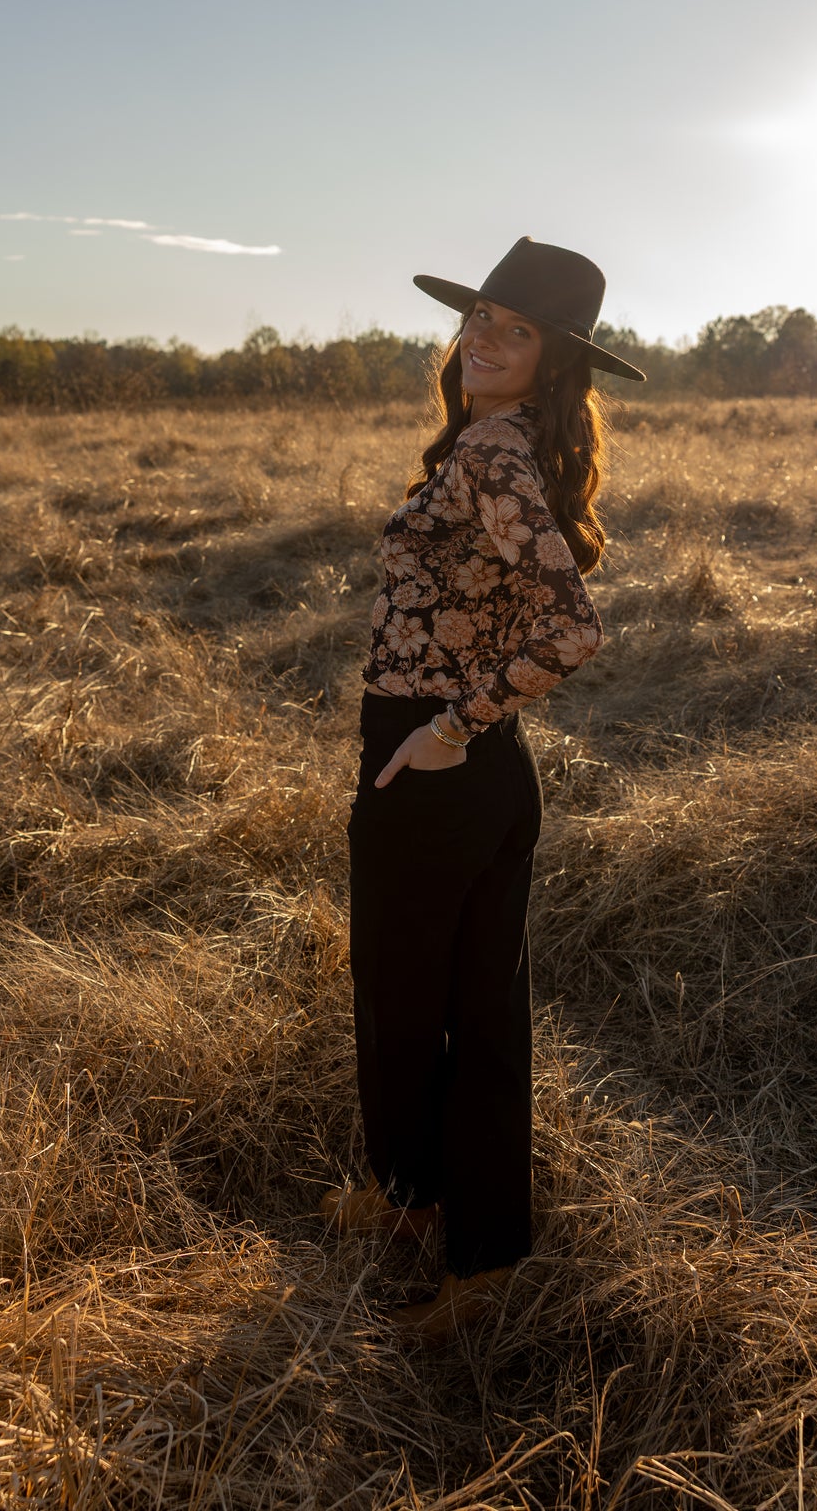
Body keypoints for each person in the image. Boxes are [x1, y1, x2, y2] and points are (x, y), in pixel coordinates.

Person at [321, 236, 645, 1340]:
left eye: (516, 333)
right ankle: (444, 1224)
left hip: (443, 758)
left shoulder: (491, 455)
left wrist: (449, 730)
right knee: (472, 1010)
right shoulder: (501, 445)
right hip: (474, 769)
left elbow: (572, 627)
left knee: (408, 1008)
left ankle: (458, 1243)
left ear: (555, 363)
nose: (484, 344)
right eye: (480, 320)